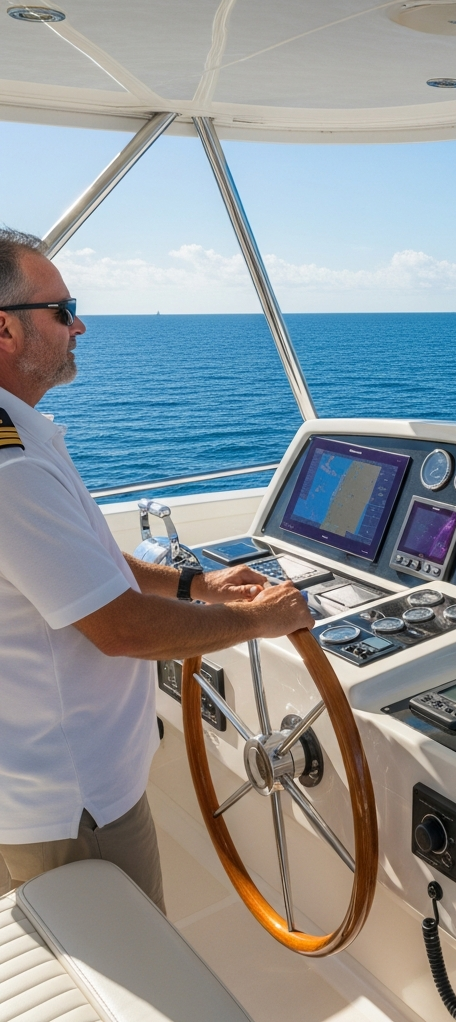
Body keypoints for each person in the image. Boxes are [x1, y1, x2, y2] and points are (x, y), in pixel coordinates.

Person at [0, 228, 314, 911]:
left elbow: (87, 566)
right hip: (71, 811)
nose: (78, 324)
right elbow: (121, 630)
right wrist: (262, 618)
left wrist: (195, 585)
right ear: (5, 329)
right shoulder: (12, 467)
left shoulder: (20, 438)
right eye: (62, 309)